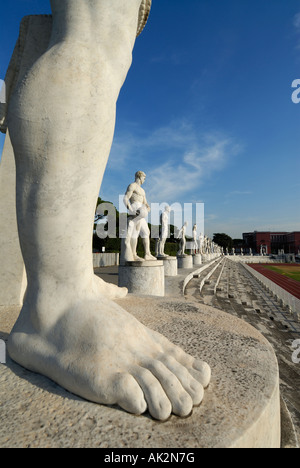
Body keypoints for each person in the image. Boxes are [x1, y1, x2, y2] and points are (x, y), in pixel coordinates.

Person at [6, 0, 210, 422]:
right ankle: (56, 302)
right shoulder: (134, 188)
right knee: (96, 31)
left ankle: (71, 275)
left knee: (108, 43)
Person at [123, 171, 156, 262]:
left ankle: (147, 254)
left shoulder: (143, 191)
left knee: (146, 232)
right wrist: (130, 209)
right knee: (135, 232)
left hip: (141, 211)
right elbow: (126, 198)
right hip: (135, 210)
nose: (144, 180)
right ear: (140, 176)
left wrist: (148, 208)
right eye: (144, 178)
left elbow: (145, 203)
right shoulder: (132, 185)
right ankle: (134, 254)